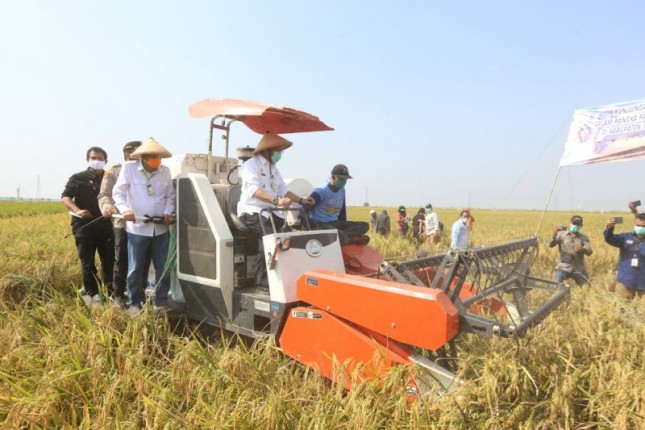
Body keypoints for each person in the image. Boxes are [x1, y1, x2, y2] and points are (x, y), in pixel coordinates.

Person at [237, 132, 314, 289]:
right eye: (278, 150)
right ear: (267, 150)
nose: (280, 154)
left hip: (270, 213)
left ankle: (285, 276)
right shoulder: (250, 166)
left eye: (281, 151)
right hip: (251, 212)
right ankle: (262, 282)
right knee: (270, 238)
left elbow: (283, 191)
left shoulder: (274, 169)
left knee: (290, 237)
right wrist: (276, 200)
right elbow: (254, 190)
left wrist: (300, 200)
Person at [113, 138, 176, 313]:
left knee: (163, 267)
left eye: (159, 156)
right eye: (154, 156)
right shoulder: (129, 169)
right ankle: (135, 303)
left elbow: (170, 196)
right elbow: (118, 192)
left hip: (161, 229)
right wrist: (125, 210)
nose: (158, 159)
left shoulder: (165, 171)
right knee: (135, 268)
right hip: (138, 228)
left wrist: (168, 212)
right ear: (145, 157)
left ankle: (161, 302)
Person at [98, 140, 151, 307]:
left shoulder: (150, 170)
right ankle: (119, 295)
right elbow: (105, 194)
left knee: (142, 261)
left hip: (144, 223)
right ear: (125, 154)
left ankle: (139, 295)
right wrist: (107, 206)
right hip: (122, 223)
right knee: (121, 260)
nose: (134, 156)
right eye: (131, 153)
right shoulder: (114, 171)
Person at [61, 146, 114, 304]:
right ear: (88, 160)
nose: (96, 161)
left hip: (105, 225)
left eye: (100, 158)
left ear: (106, 161)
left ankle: (112, 293)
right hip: (84, 226)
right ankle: (92, 294)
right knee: (87, 262)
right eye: (93, 158)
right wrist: (77, 210)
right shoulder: (78, 177)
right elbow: (65, 197)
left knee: (109, 260)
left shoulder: (108, 178)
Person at [307, 164, 370, 245]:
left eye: (345, 179)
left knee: (364, 225)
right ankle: (353, 238)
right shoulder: (321, 191)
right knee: (333, 233)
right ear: (333, 177)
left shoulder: (342, 190)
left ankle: (344, 238)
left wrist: (344, 225)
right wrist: (309, 226)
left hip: (334, 222)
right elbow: (305, 207)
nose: (343, 182)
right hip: (320, 224)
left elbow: (342, 211)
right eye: (341, 179)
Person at [604, 213, 645, 300]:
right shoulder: (625, 237)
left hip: (643, 281)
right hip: (626, 280)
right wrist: (610, 228)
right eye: (638, 225)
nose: (641, 228)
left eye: (643, 226)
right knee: (622, 309)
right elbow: (610, 239)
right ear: (634, 225)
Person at [548, 215, 592, 286]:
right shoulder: (561, 235)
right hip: (563, 267)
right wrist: (554, 234)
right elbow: (550, 245)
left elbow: (589, 252)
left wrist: (583, 249)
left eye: (578, 224)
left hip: (578, 268)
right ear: (570, 223)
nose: (575, 225)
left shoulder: (583, 238)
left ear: (581, 225)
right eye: (574, 223)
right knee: (555, 284)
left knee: (587, 287)